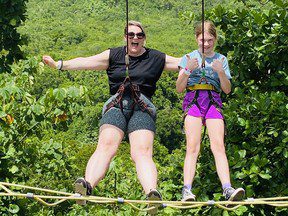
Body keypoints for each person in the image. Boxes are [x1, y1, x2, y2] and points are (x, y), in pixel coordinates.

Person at [43, 20, 180, 211]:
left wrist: (209, 59)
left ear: (144, 38)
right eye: (131, 34)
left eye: (139, 35)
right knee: (106, 146)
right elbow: (86, 61)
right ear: (125, 37)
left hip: (143, 107)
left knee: (141, 152)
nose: (135, 38)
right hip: (117, 104)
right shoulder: (114, 54)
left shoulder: (155, 57)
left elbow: (184, 63)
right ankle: (86, 186)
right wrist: (59, 64)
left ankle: (151, 194)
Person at [176, 21, 245, 202]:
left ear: (215, 39)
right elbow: (179, 88)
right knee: (193, 146)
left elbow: (227, 89)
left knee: (218, 146)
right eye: (202, 40)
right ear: (196, 39)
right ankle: (187, 189)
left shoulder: (221, 59)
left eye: (209, 40)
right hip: (193, 100)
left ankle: (227, 189)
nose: (205, 44)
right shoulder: (188, 57)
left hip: (213, 101)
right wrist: (187, 70)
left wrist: (221, 72)